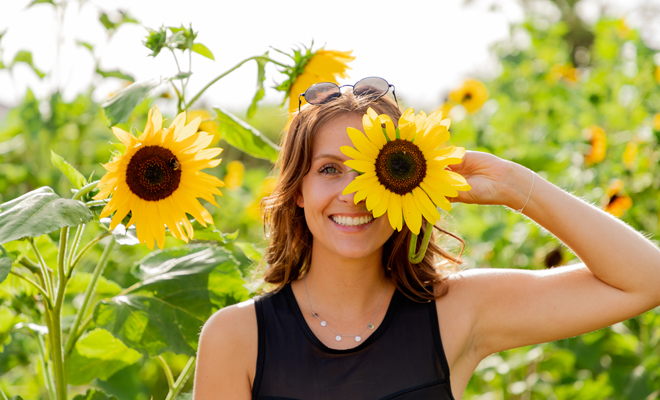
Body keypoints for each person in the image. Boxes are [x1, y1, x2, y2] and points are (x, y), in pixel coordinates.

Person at [192, 81, 660, 400]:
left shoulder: (458, 311)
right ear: (297, 190)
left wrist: (517, 188)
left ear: (408, 182)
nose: (354, 194)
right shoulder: (237, 338)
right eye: (329, 169)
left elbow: (646, 280)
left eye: (375, 170)